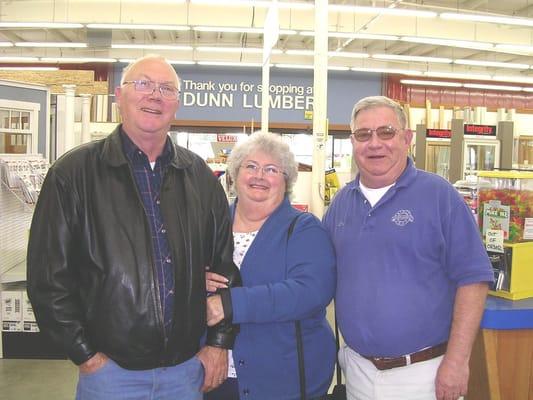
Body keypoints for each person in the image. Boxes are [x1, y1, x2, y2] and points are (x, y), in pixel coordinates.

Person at [26, 54, 240, 400]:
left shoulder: (199, 177)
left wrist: (219, 343)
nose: (154, 95)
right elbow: (48, 279)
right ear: (118, 97)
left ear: (177, 104)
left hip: (185, 373)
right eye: (142, 84)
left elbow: (224, 270)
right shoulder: (72, 175)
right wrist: (86, 354)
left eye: (166, 88)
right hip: (110, 375)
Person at [323, 96, 493, 400]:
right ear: (353, 142)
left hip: (426, 375)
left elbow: (474, 280)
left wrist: (457, 362)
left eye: (386, 132)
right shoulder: (340, 205)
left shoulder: (440, 197)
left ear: (407, 138)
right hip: (358, 371)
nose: (374, 143)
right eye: (364, 134)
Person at [204, 132, 336, 400]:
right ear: (234, 175)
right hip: (213, 375)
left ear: (286, 180)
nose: (259, 176)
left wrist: (228, 304)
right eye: (250, 166)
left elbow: (310, 292)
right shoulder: (209, 227)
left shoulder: (303, 229)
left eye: (271, 169)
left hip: (281, 381)